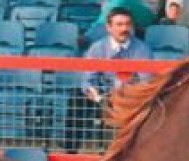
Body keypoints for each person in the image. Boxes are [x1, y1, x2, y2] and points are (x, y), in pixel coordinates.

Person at [65, 7, 152, 152]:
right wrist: (95, 94)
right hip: (101, 96)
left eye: (127, 24)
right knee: (76, 98)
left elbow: (146, 82)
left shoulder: (142, 50)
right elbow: (88, 79)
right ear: (109, 27)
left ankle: (110, 153)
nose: (124, 28)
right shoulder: (97, 48)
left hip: (128, 97)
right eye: (119, 24)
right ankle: (71, 152)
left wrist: (126, 95)